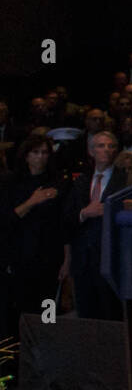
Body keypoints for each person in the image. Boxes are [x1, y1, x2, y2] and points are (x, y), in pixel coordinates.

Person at [3, 134, 67, 335]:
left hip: (49, 257)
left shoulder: (58, 183)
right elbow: (7, 219)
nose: (41, 157)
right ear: (26, 156)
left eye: (45, 153)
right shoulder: (10, 183)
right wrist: (33, 201)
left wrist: (67, 260)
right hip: (19, 256)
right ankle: (17, 355)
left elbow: (65, 224)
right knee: (19, 308)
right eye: (36, 152)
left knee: (47, 308)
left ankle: (47, 346)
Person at [63, 131, 127, 320]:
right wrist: (84, 213)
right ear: (91, 151)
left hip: (111, 257)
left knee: (111, 315)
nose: (106, 150)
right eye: (101, 145)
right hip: (83, 260)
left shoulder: (125, 179)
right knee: (86, 314)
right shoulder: (80, 181)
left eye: (111, 146)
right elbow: (66, 218)